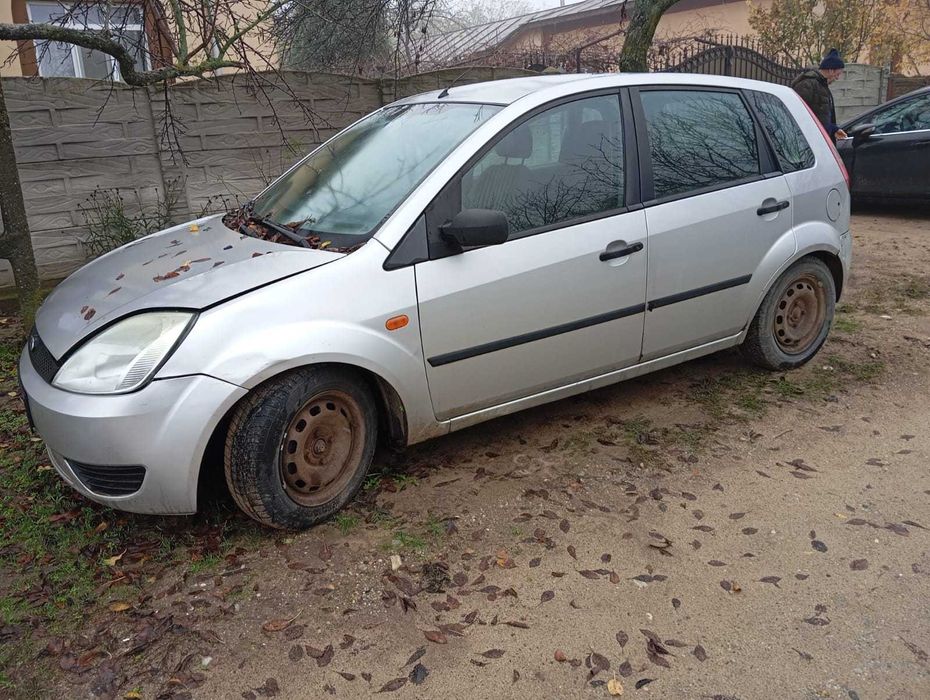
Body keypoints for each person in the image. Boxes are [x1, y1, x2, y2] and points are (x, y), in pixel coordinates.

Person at [791, 49, 847, 142]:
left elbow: (820, 117)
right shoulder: (807, 84)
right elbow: (798, 115)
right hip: (808, 143)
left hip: (818, 142)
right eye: (837, 74)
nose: (837, 78)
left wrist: (833, 129)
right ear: (830, 70)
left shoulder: (823, 87)